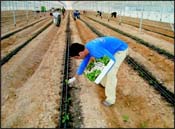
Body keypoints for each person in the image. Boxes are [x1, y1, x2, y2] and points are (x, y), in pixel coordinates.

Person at [68, 36, 128, 107]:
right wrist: (74, 78)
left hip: (120, 50)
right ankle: (106, 84)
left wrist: (102, 70)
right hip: (110, 51)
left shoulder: (95, 50)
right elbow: (83, 64)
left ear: (80, 54)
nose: (77, 59)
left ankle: (110, 99)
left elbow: (112, 60)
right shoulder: (87, 48)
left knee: (110, 73)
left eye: (76, 57)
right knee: (102, 69)